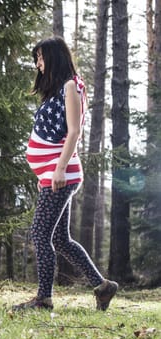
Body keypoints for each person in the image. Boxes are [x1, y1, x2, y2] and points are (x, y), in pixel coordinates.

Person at [13, 36, 118, 311]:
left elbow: (74, 132)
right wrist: (44, 173)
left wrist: (57, 168)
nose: (38, 64)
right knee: (60, 239)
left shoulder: (70, 85)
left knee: (39, 233)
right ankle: (103, 287)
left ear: (54, 57)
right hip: (54, 173)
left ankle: (43, 299)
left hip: (63, 173)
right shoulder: (58, 88)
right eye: (36, 58)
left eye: (41, 57)